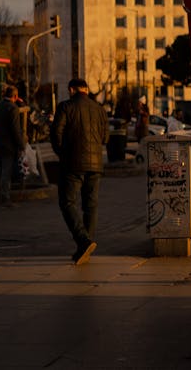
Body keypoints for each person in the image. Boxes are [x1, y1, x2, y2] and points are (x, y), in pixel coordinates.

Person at [51, 78, 109, 265]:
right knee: (90, 206)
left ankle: (83, 240)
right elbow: (106, 137)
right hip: (95, 165)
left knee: (67, 202)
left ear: (71, 89)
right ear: (86, 89)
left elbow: (56, 134)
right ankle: (85, 247)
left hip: (72, 163)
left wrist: (62, 153)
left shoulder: (65, 107)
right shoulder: (99, 109)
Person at [0, 85, 27, 207]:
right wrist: (21, 145)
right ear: (15, 96)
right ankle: (5, 197)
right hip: (9, 146)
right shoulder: (13, 108)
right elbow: (15, 129)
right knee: (6, 172)